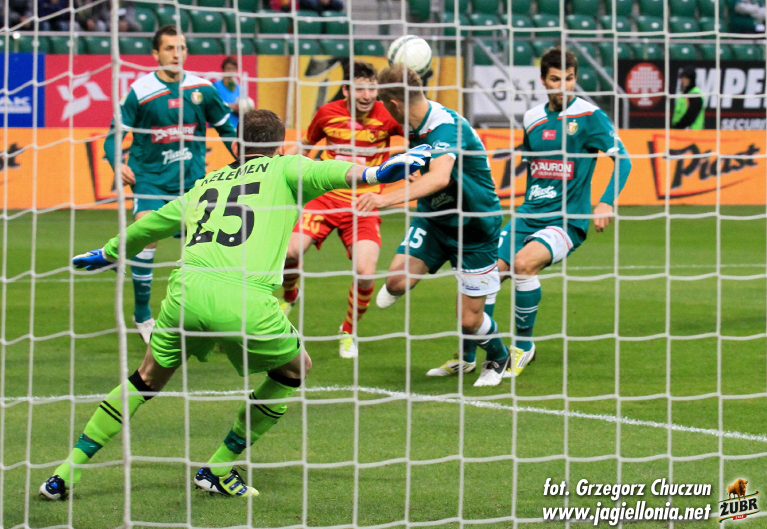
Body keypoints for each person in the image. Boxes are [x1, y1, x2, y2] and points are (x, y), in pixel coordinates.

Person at [39, 109, 430, 500]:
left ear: (236, 145)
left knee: (145, 379)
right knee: (296, 369)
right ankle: (219, 467)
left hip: (185, 293)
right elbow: (335, 173)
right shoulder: (285, 168)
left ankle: (63, 474)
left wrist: (109, 252)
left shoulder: (205, 183)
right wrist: (377, 174)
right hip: (243, 299)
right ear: (279, 146)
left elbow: (152, 223)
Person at [468, 47, 631, 381]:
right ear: (543, 80)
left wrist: (606, 202)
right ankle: (469, 354)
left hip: (567, 221)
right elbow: (535, 170)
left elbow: (624, 160)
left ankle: (523, 346)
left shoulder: (590, 117)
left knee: (523, 264)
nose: (563, 86)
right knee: (486, 274)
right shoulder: (532, 119)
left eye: (569, 79)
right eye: (556, 79)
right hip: (529, 213)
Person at [356, 65, 509, 387]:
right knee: (396, 282)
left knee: (469, 321)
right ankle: (466, 359)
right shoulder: (413, 122)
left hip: (474, 227)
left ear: (394, 104)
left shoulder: (444, 126)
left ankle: (498, 357)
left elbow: (440, 177)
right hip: (435, 217)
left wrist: (385, 199)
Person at [103, 25, 237, 345]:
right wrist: (117, 162)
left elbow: (228, 131)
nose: (177, 54)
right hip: (150, 180)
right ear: (155, 54)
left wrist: (248, 159)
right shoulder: (140, 91)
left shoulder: (203, 90)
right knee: (147, 234)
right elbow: (113, 136)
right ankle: (142, 315)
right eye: (169, 48)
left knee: (209, 250)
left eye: (182, 48)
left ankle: (212, 316)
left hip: (192, 184)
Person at [280, 61, 405, 359]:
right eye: (360, 89)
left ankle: (348, 331)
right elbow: (306, 144)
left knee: (365, 273)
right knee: (290, 252)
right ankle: (290, 294)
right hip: (325, 197)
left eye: (372, 88)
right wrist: (279, 166)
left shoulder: (388, 114)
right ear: (347, 90)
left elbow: (419, 136)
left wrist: (412, 163)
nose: (367, 95)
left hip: (364, 202)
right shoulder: (327, 113)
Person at [212, 56, 244, 131]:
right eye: (228, 69)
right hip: (218, 129)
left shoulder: (239, 89)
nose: (230, 72)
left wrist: (242, 108)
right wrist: (230, 106)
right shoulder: (215, 86)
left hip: (235, 128)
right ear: (223, 70)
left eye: (233, 69)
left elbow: (243, 112)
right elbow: (212, 107)